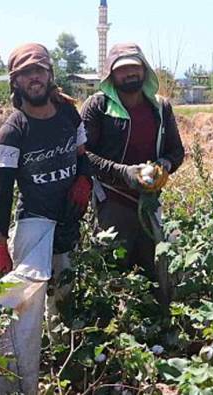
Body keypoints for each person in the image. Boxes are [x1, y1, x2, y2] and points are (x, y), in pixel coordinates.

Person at [0, 43, 92, 316]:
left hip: (67, 219)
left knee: (63, 296)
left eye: (39, 70)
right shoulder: (12, 131)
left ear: (50, 75)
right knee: (26, 301)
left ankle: (60, 348)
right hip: (34, 223)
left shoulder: (69, 114)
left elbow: (83, 155)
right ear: (15, 82)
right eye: (25, 73)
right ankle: (28, 357)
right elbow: (3, 190)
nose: (34, 77)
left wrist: (84, 180)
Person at [81, 43, 185, 307]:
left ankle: (156, 333)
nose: (129, 74)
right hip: (112, 203)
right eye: (122, 69)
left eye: (134, 68)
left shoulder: (160, 108)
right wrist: (124, 173)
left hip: (149, 203)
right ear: (111, 75)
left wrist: (163, 166)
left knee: (155, 272)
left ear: (144, 70)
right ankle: (115, 339)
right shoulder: (98, 106)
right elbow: (83, 156)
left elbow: (177, 151)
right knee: (114, 275)